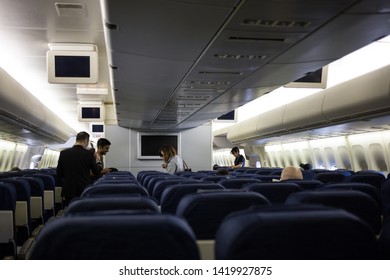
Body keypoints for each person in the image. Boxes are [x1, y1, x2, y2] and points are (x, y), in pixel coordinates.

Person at [56, 131, 102, 207]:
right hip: (83, 189)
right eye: (87, 142)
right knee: (82, 211)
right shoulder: (89, 154)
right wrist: (98, 161)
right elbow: (96, 171)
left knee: (70, 211)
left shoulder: (63, 153)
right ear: (85, 141)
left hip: (68, 189)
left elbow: (59, 173)